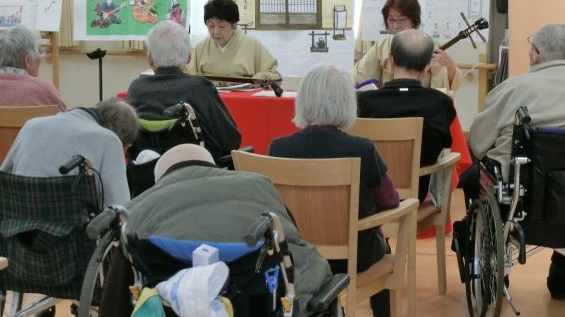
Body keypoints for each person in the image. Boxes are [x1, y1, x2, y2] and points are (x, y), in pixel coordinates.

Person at [102, 144, 332, 317]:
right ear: (214, 167)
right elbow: (292, 239)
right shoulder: (258, 184)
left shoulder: (134, 210)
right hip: (263, 302)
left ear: (160, 180)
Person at [462, 23, 565, 300]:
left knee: (471, 176)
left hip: (521, 203)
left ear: (535, 54)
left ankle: (493, 264)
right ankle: (562, 270)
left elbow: (477, 144)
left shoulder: (512, 88)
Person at [269, 64, 399, 317]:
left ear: (303, 102)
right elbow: (391, 200)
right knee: (383, 247)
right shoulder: (362, 148)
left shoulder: (278, 148)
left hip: (298, 257)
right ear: (347, 103)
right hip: (353, 258)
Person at [357, 29, 456, 202]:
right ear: (427, 65)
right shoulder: (440, 103)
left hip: (369, 198)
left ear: (390, 61)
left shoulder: (362, 102)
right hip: (415, 198)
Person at [127, 20, 241, 159]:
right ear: (188, 57)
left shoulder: (136, 89)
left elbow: (128, 140)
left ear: (150, 58)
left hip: (146, 175)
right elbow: (230, 141)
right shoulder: (200, 87)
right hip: (194, 174)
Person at [0, 97, 137, 207]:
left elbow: (4, 175)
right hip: (70, 237)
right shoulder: (110, 140)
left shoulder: (30, 125)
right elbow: (120, 208)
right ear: (122, 141)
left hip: (15, 230)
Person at [353, 0, 462, 90]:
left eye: (402, 20)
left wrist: (449, 65)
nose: (395, 26)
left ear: (414, 20)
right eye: (391, 20)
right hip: (389, 105)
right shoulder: (382, 46)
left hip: (422, 105)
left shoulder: (430, 45)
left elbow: (442, 87)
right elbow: (359, 76)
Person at [187, 0, 281, 80]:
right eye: (211, 26)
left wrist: (265, 76)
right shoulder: (202, 47)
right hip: (208, 97)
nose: (215, 32)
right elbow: (188, 74)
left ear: (234, 25)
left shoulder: (253, 45)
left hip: (243, 98)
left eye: (222, 26)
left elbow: (274, 75)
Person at [0, 25, 66, 110]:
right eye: (39, 52)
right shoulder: (45, 91)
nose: (41, 57)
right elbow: (64, 121)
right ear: (27, 60)